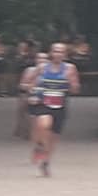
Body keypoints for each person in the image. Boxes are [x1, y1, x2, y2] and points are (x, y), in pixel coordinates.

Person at [26, 42, 80, 176]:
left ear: (65, 54)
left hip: (60, 104)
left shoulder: (70, 68)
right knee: (44, 124)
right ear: (51, 53)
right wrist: (33, 94)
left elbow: (75, 89)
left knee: (53, 137)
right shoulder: (42, 67)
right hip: (43, 102)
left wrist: (71, 84)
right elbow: (29, 83)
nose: (58, 54)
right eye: (55, 51)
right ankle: (40, 145)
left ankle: (46, 162)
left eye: (61, 52)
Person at [15, 52, 48, 139]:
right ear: (35, 60)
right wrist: (32, 89)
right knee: (24, 103)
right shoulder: (29, 70)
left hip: (46, 94)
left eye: (44, 58)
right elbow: (21, 85)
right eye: (39, 58)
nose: (42, 60)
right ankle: (24, 129)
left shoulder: (51, 71)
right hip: (29, 93)